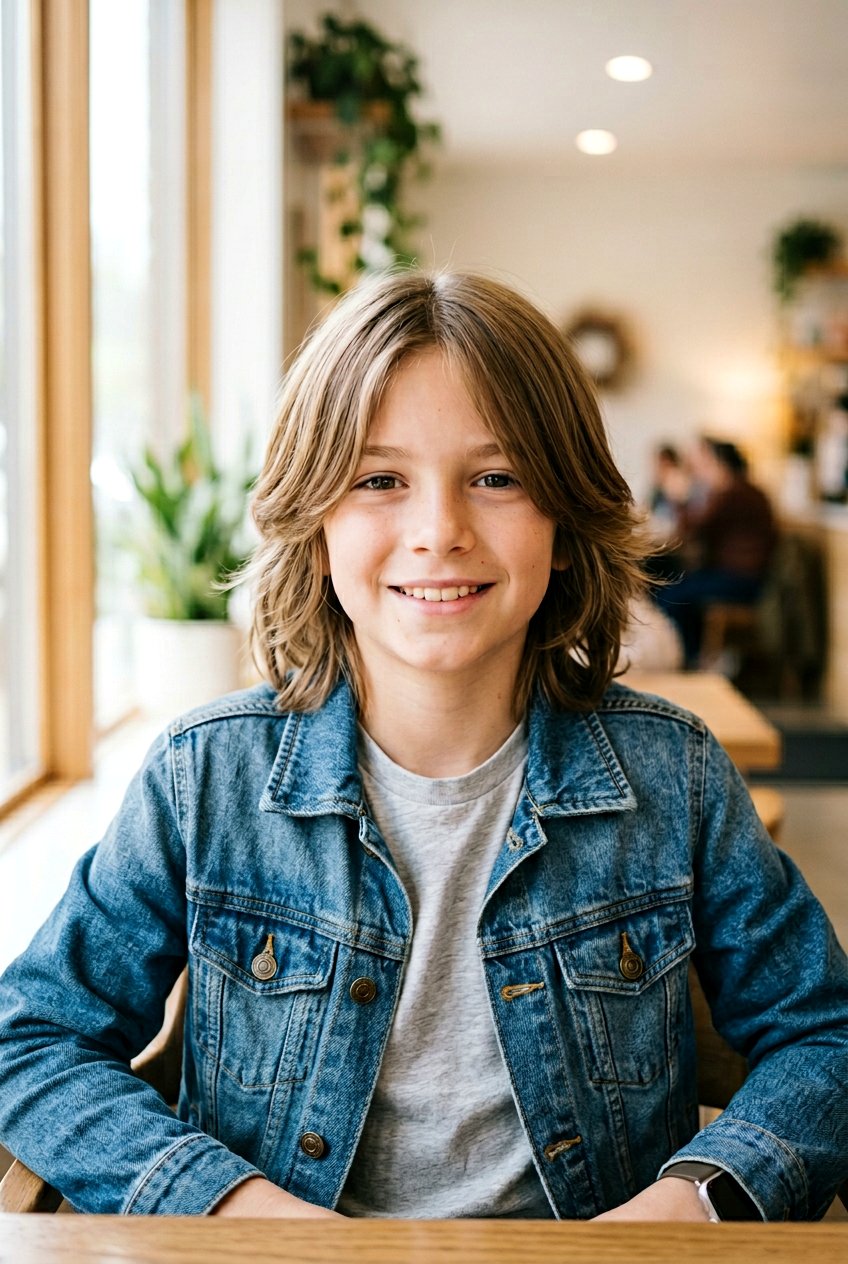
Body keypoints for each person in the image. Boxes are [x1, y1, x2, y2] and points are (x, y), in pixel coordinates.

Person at [0, 271, 845, 1222]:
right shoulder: (204, 777)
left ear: (564, 523)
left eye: (496, 478)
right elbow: (33, 1042)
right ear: (315, 525)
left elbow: (827, 1037)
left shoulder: (675, 776)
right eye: (379, 480)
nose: (438, 532)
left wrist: (690, 1205)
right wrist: (239, 1213)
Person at [653, 437, 778, 667]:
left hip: (740, 579)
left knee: (670, 596)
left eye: (702, 461)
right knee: (676, 587)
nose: (698, 469)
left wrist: (678, 498)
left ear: (718, 462)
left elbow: (693, 528)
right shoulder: (743, 490)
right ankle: (698, 655)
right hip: (741, 575)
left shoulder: (732, 493)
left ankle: (690, 660)